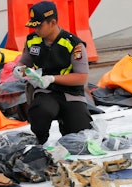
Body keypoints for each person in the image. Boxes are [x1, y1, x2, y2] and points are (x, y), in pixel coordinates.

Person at [13, 1, 93, 145]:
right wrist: (19, 69)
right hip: (45, 92)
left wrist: (52, 78)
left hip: (71, 94)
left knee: (80, 138)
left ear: (53, 22)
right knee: (40, 111)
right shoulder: (32, 40)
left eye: (39, 25)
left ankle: (67, 122)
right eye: (34, 25)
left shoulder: (73, 44)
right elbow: (25, 62)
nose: (35, 29)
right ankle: (40, 140)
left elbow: (82, 77)